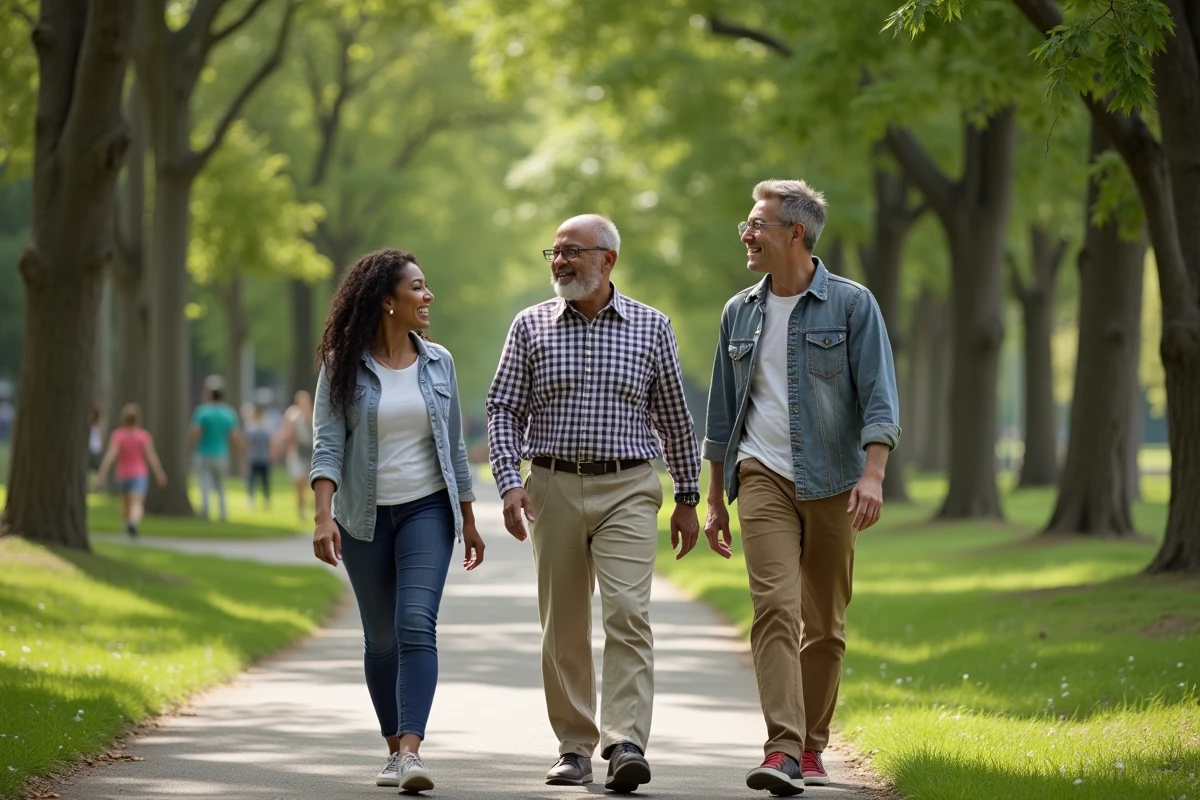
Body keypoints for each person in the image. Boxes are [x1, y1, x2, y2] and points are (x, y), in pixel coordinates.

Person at [486, 214, 701, 793]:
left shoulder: (652, 327)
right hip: (551, 484)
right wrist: (510, 483)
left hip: (628, 487)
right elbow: (502, 407)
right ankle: (574, 746)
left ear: (607, 260)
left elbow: (675, 419)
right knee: (564, 625)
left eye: (572, 251)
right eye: (553, 252)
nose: (559, 261)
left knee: (628, 613)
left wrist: (687, 495)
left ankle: (626, 740)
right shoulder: (530, 326)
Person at [702, 180, 900, 795]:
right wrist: (713, 496)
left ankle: (813, 746)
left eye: (757, 223)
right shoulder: (740, 310)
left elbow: (879, 397)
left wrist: (873, 473)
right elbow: (721, 413)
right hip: (761, 475)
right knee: (775, 608)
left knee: (826, 624)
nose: (747, 233)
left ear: (795, 232)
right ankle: (782, 749)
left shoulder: (852, 304)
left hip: (835, 481)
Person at [309, 247, 485, 795]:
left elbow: (454, 446)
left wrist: (468, 516)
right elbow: (327, 443)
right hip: (362, 517)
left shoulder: (440, 363)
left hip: (426, 509)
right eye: (417, 287)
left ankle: (411, 751)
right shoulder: (342, 363)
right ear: (387, 301)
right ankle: (392, 749)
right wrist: (322, 516)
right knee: (381, 639)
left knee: (415, 623)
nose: (427, 295)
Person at [96, 403, 168, 536]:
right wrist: (159, 473)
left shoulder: (118, 435)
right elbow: (151, 456)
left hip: (123, 474)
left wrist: (102, 473)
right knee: (137, 503)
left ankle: (127, 524)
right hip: (139, 473)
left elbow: (110, 456)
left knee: (126, 502)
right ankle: (133, 523)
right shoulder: (143, 436)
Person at [188, 382, 242, 523]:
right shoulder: (229, 413)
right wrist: (238, 450)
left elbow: (196, 432)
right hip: (221, 454)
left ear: (210, 395)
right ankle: (223, 514)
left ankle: (205, 512)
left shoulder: (202, 411)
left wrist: (190, 446)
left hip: (203, 453)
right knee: (221, 486)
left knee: (204, 484)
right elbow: (235, 436)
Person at [276, 390, 314, 520]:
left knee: (312, 483)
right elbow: (287, 432)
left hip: (311, 452)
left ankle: (313, 509)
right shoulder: (293, 414)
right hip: (297, 452)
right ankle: (301, 510)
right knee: (299, 482)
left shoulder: (313, 414)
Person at [243, 404, 273, 510]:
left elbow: (270, 441)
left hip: (264, 458)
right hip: (253, 457)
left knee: (265, 481)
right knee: (251, 480)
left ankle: (266, 500)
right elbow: (247, 442)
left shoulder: (267, 425)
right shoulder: (250, 426)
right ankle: (251, 499)